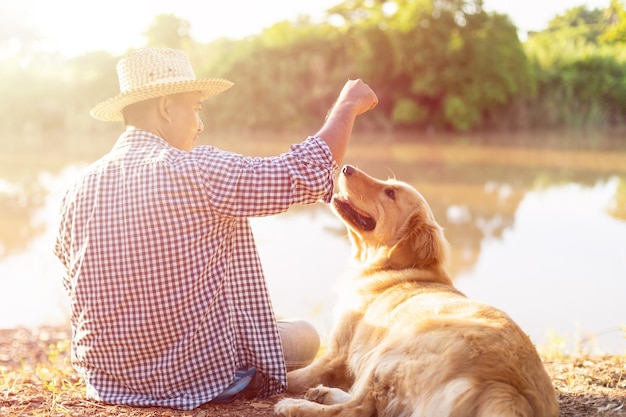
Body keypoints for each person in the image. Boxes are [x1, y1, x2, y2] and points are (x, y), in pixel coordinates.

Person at [54, 47, 377, 410]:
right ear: (165, 108)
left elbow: (75, 292)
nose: (200, 124)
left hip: (109, 380)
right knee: (306, 336)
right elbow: (302, 174)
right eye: (195, 108)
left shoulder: (76, 189)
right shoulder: (197, 170)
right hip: (193, 376)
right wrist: (346, 107)